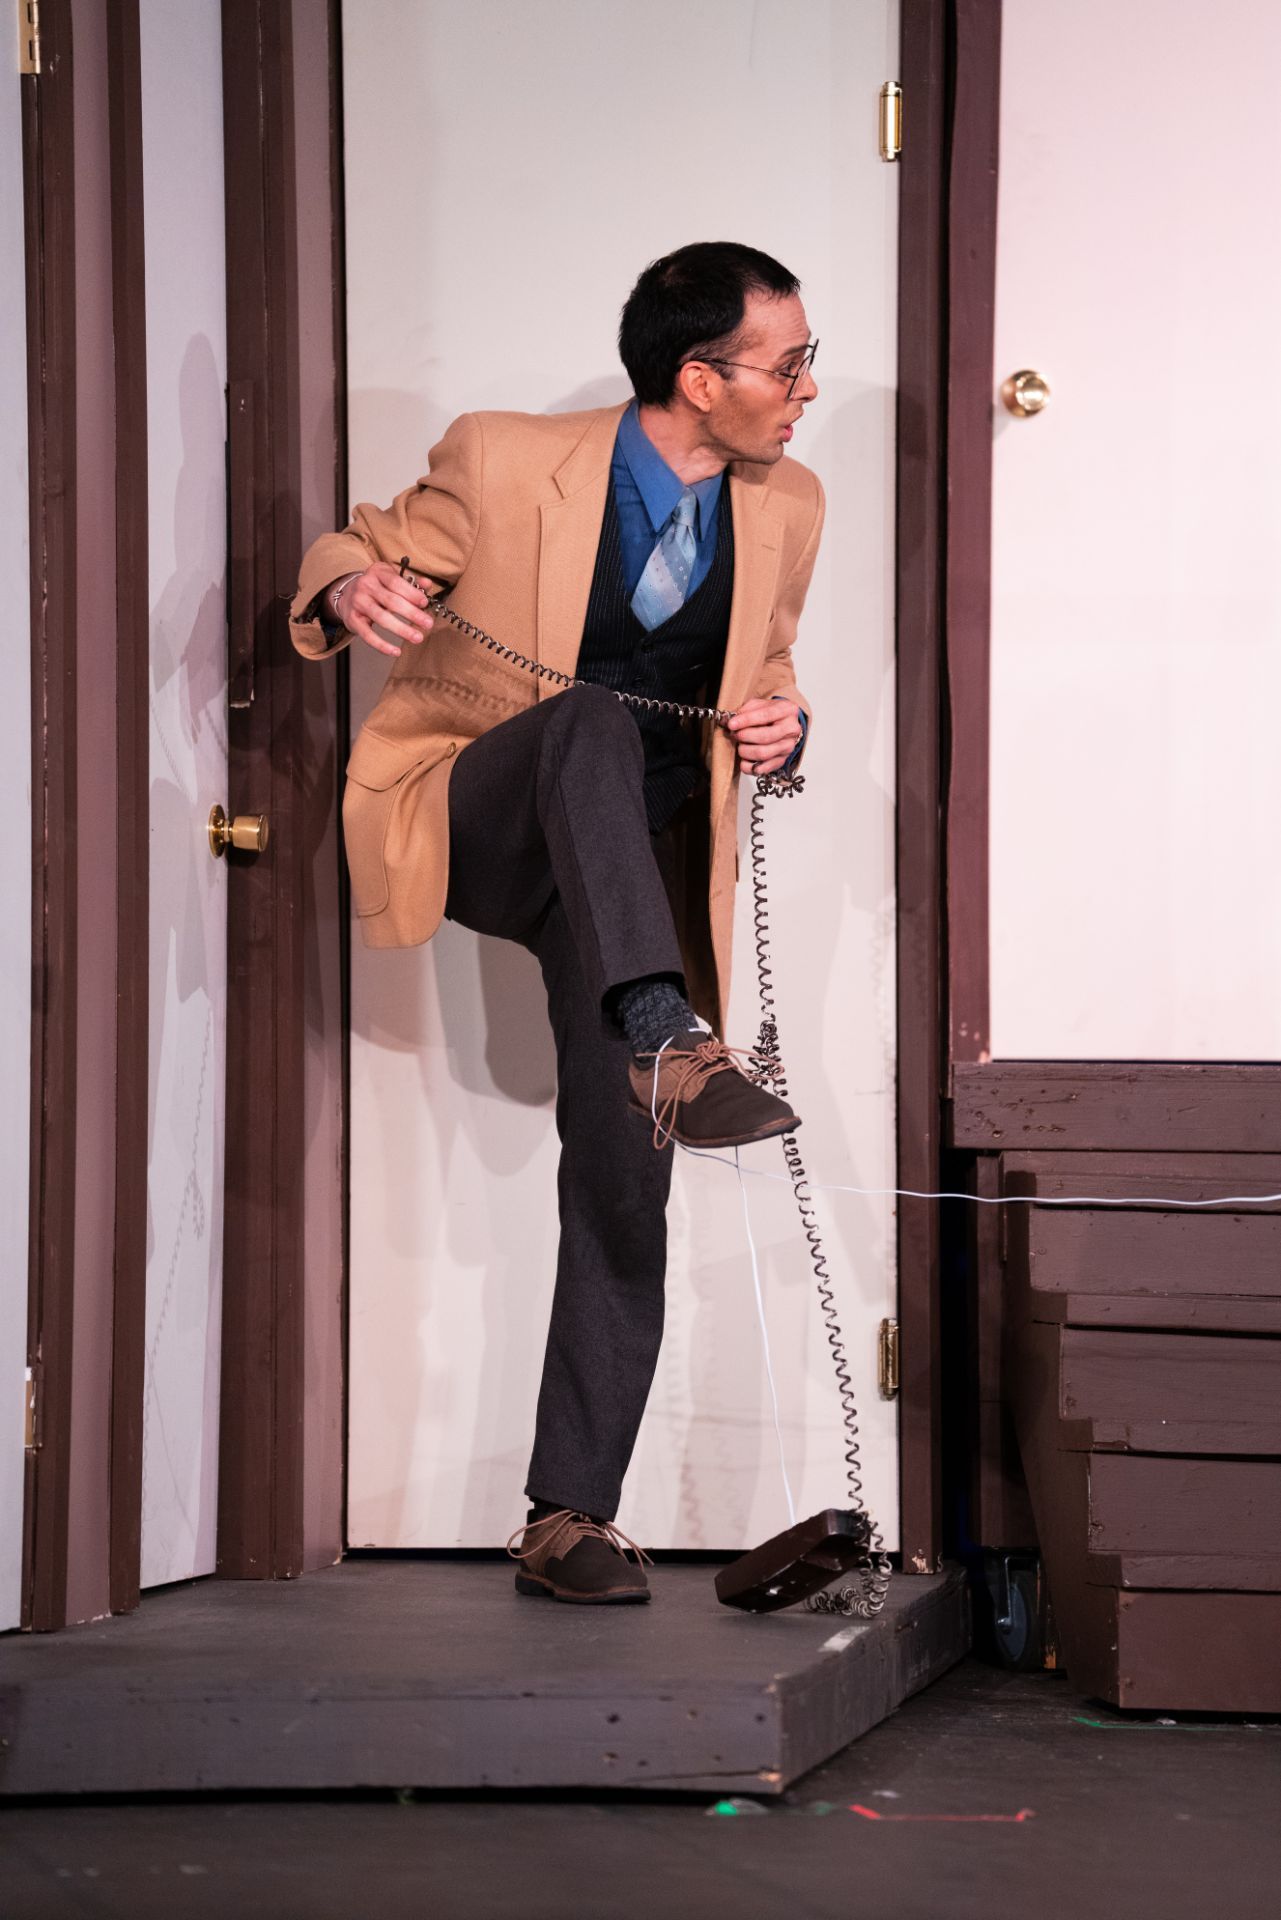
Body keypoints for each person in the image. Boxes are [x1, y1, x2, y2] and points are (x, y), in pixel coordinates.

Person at [289, 241, 824, 1605]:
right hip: (482, 808)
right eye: (788, 365)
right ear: (698, 378)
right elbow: (362, 545)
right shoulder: (505, 457)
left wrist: (783, 719)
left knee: (624, 1176)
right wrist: (347, 588)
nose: (806, 389)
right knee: (582, 719)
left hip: (626, 871)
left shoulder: (789, 501)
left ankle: (568, 1518)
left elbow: (764, 659)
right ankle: (665, 1033)